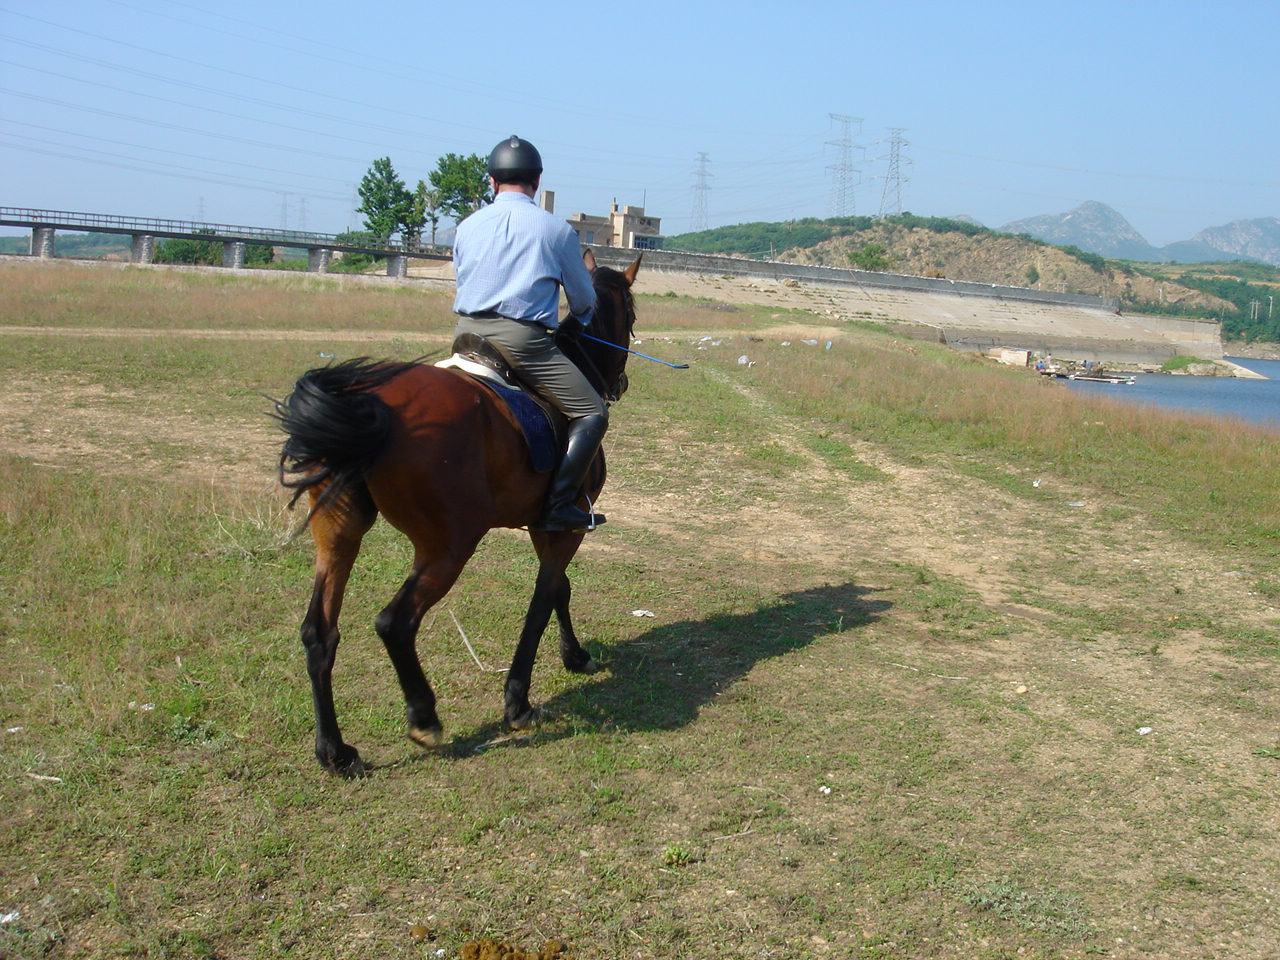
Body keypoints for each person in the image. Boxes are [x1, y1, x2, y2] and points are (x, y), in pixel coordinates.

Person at [452, 135, 607, 533]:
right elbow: (584, 300)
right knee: (592, 412)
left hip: (466, 335)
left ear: (491, 182)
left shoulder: (466, 226)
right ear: (537, 180)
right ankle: (558, 506)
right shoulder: (556, 231)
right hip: (522, 342)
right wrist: (582, 320)